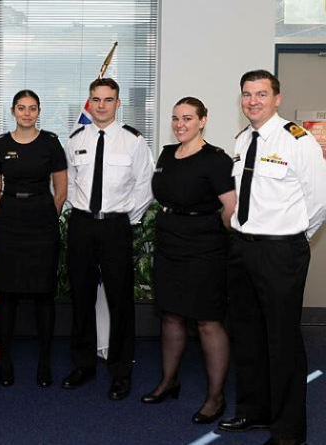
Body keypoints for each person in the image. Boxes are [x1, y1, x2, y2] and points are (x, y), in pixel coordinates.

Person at [218, 70, 326, 445]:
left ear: (276, 98)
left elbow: (319, 200)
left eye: (261, 94)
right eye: (247, 94)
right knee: (246, 336)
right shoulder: (242, 139)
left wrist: (294, 236)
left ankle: (287, 431)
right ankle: (253, 411)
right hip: (243, 247)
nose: (253, 101)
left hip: (281, 250)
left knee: (282, 341)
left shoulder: (298, 140)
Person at [141, 97, 236, 425]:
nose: (180, 124)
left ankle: (215, 397)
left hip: (205, 247)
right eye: (175, 118)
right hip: (170, 243)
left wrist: (222, 241)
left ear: (202, 120)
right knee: (171, 316)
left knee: (208, 322)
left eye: (188, 118)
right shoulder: (168, 153)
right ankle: (169, 381)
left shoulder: (216, 159)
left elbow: (230, 208)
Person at [61, 78, 154, 401]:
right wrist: (81, 210)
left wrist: (125, 219)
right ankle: (83, 365)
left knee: (120, 302)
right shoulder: (74, 139)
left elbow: (144, 186)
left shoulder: (133, 141)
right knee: (81, 297)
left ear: (118, 104)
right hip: (82, 225)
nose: (101, 105)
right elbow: (69, 182)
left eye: (108, 100)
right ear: (89, 102)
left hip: (116, 226)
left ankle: (120, 371)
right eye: (96, 99)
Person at [0, 90, 67, 387]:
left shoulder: (50, 143)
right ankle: (5, 362)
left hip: (42, 220)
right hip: (10, 222)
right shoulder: (0, 145)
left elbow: (60, 188)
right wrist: (5, 210)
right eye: (22, 108)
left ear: (39, 111)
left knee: (44, 293)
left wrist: (48, 214)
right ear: (13, 110)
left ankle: (44, 362)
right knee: (8, 294)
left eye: (32, 108)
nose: (27, 114)